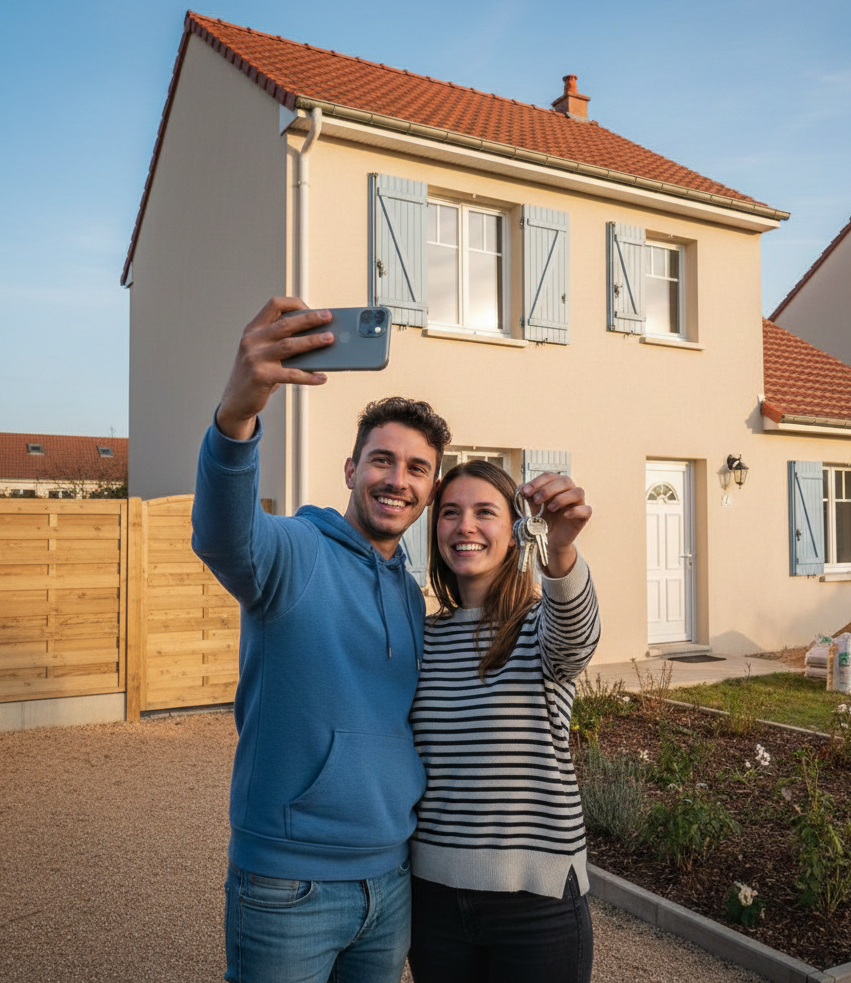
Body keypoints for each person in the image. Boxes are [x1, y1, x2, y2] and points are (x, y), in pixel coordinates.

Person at [190, 296, 451, 983]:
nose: (396, 480)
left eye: (416, 469)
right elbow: (223, 533)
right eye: (382, 461)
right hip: (288, 888)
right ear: (351, 470)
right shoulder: (296, 552)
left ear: (428, 489)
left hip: (390, 883)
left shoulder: (408, 589)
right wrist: (238, 413)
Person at [408, 460, 600, 983]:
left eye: (484, 512)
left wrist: (559, 549)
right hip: (433, 904)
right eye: (450, 513)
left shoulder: (539, 629)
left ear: (515, 534)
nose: (464, 526)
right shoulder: (420, 638)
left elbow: (577, 632)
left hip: (535, 907)